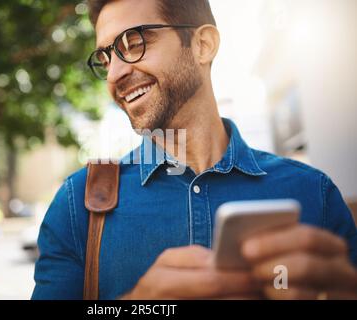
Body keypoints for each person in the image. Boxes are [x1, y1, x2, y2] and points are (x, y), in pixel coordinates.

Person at [32, 0, 357, 300]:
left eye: (134, 43)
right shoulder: (78, 206)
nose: (115, 74)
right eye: (105, 59)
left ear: (203, 45)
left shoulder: (315, 193)